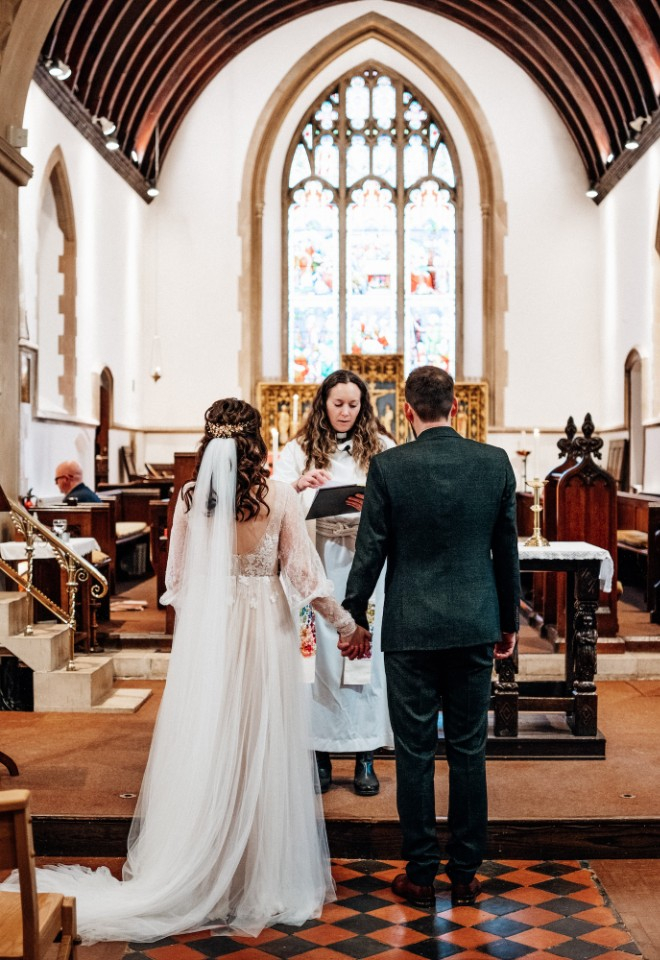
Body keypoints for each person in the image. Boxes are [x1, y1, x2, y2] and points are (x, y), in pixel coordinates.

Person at [3, 399, 370, 942]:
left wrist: (213, 612)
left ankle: (205, 863)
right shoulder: (280, 497)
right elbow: (306, 578)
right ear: (257, 441)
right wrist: (346, 626)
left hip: (213, 637)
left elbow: (175, 584)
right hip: (264, 632)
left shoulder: (191, 499)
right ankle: (257, 874)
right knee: (259, 744)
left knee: (213, 739)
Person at [342, 365, 520, 909]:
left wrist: (355, 613)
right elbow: (506, 551)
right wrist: (508, 621)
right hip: (473, 624)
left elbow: (371, 548)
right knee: (469, 750)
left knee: (415, 752)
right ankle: (466, 874)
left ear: (409, 413)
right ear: (457, 408)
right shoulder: (493, 463)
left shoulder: (390, 466)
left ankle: (421, 874)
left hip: (411, 629)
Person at [276, 369, 395, 796]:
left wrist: (375, 501)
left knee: (360, 654)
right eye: (337, 403)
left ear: (364, 407)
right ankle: (320, 754)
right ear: (323, 404)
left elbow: (399, 501)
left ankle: (364, 754)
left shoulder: (382, 448)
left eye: (353, 405)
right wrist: (297, 485)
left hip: (365, 564)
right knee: (315, 657)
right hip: (316, 560)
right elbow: (275, 502)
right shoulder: (298, 449)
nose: (345, 412)